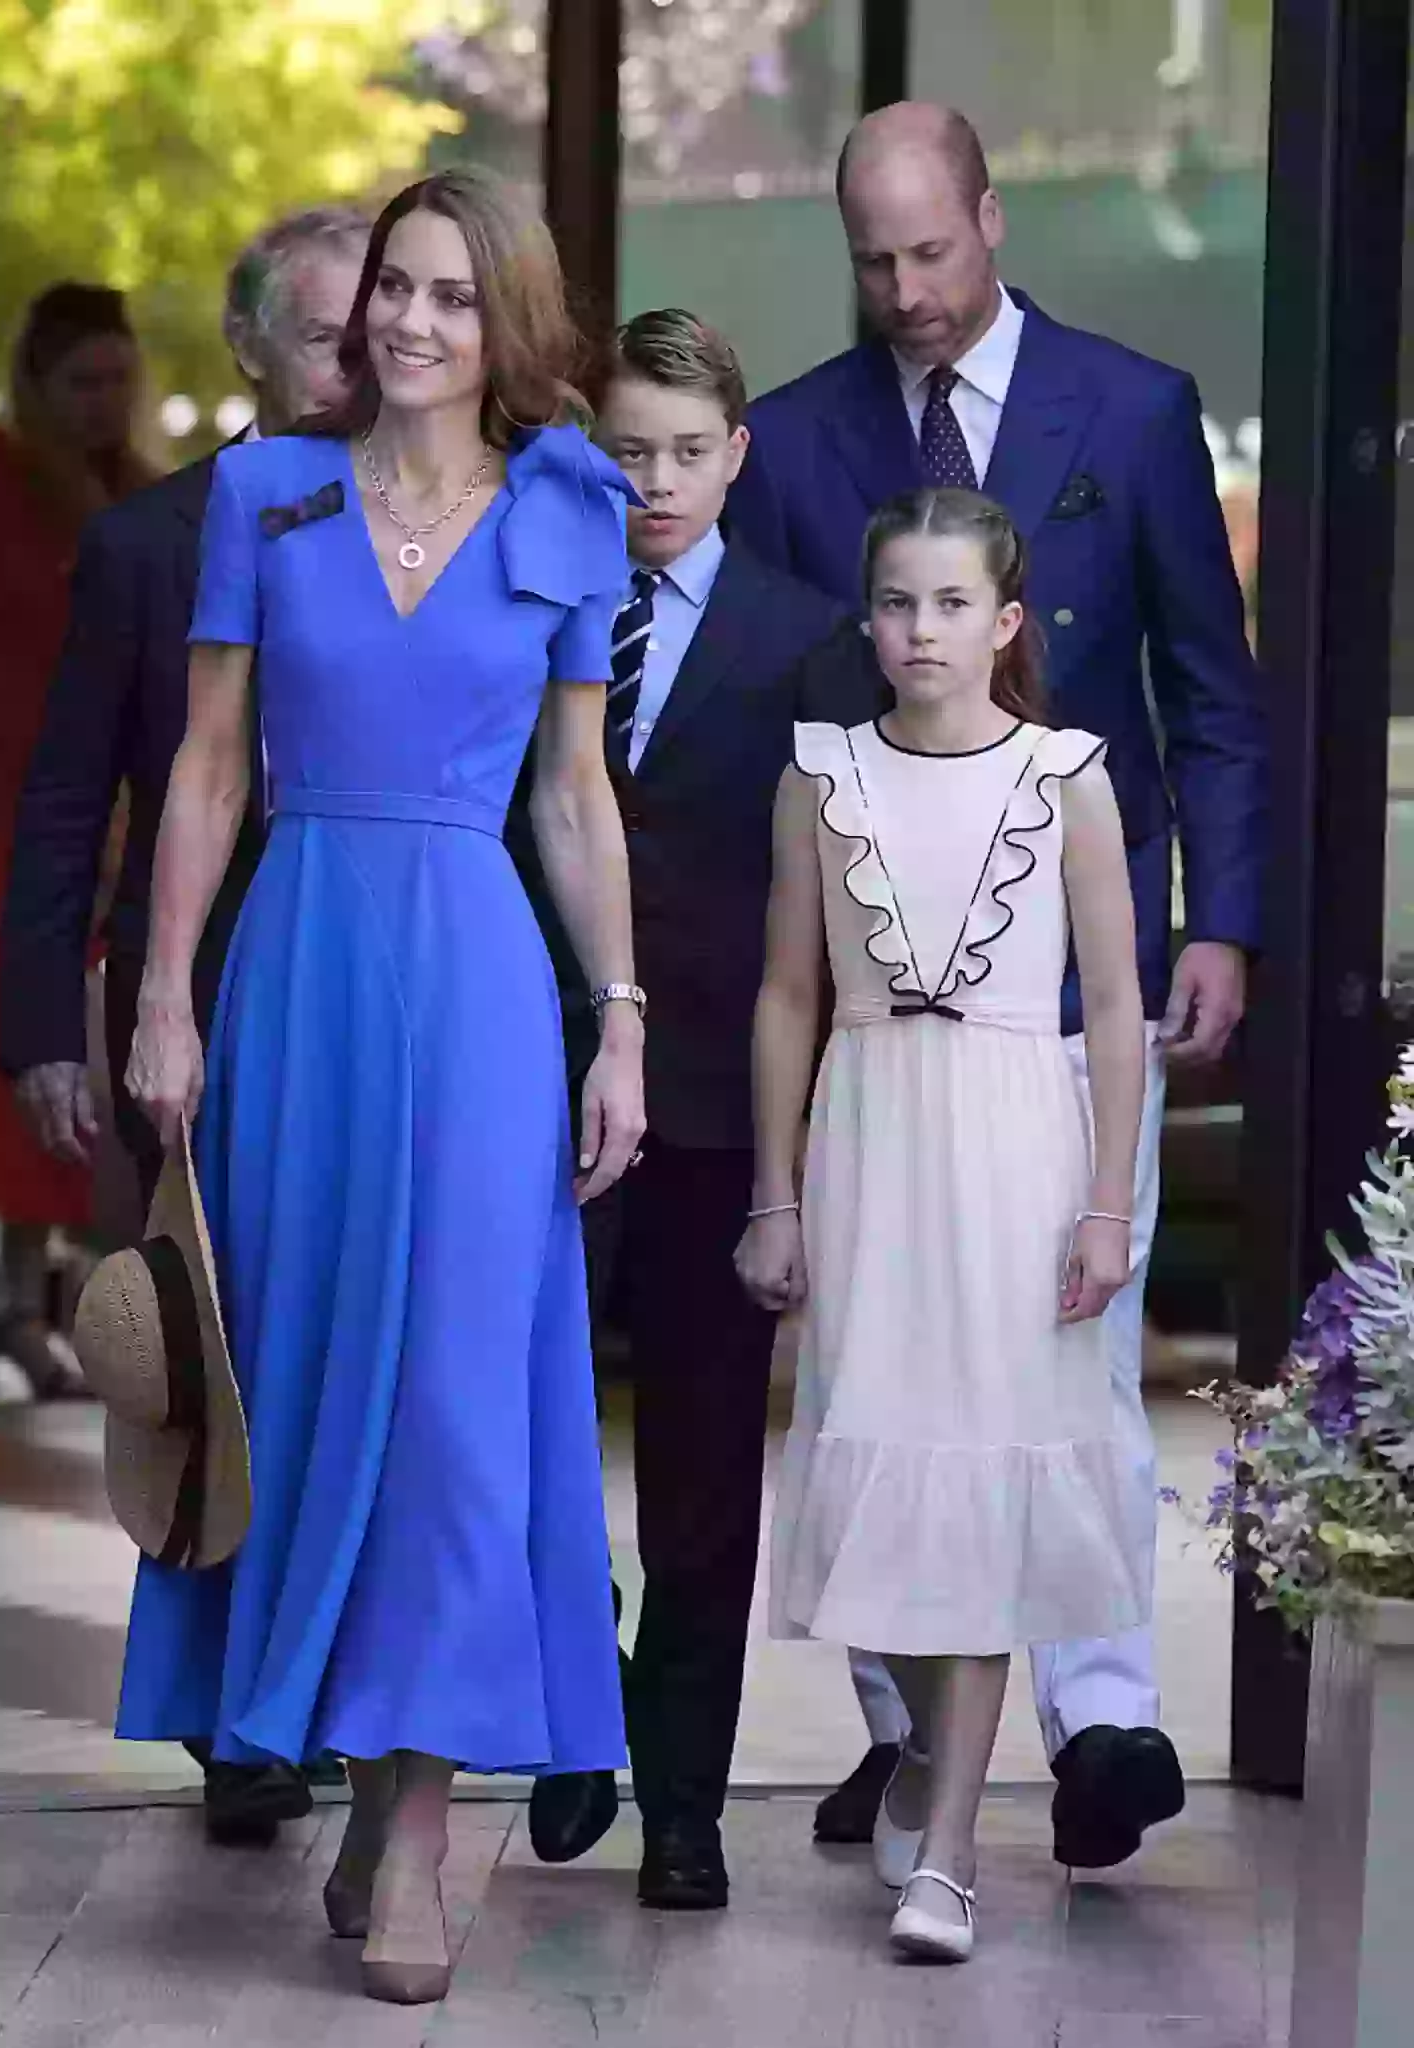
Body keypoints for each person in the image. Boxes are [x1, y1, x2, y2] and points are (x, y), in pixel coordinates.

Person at [117, 167, 643, 2005]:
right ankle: (352, 1769)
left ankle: (417, 1825)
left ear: (509, 325)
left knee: (449, 1392)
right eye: (390, 294)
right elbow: (202, 770)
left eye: (447, 296)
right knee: (314, 1372)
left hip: (487, 984)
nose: (408, 324)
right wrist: (165, 993)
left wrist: (626, 1019)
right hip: (302, 971)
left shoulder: (573, 508)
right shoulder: (265, 501)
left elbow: (576, 796)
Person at [726, 100, 1266, 1869]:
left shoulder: (1132, 411)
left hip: (1070, 969)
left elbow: (1210, 686)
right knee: (882, 1371)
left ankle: (1104, 1716)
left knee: (1074, 1341)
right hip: (885, 1003)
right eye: (871, 261)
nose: (905, 291)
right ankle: (906, 1728)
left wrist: (1221, 921)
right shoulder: (795, 440)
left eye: (931, 252)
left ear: (990, 215)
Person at [0, 205, 371, 1846]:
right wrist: (44, 1026)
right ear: (248, 354)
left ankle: (343, 1687)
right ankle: (239, 1717)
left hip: (385, 995)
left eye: (385, 326)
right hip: (198, 1000)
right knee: (216, 1357)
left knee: (358, 1349)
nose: (363, 361)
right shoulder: (154, 541)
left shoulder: (457, 521)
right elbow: (71, 795)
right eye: (325, 335)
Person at [737, 486, 1147, 1961]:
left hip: (1015, 1147)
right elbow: (789, 993)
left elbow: (1113, 1005)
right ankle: (916, 1750)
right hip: (872, 1146)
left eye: (955, 603)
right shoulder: (823, 775)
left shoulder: (1067, 775)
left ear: (1007, 622)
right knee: (879, 1467)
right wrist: (775, 1193)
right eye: (900, 602)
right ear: (869, 618)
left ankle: (951, 1857)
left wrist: (1109, 1202)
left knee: (979, 1479)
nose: (924, 629)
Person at [510, 310, 844, 1909]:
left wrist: (802, 1157)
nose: (657, 482)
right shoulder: (532, 601)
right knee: (523, 1435)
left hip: (719, 1106)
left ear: (738, 455)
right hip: (535, 1081)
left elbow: (826, 914)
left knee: (707, 1469)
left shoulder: (806, 637)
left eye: (688, 452)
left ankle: (689, 1804)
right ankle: (574, 1730)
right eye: (629, 451)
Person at [0, 283, 158, 1394]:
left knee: (68, 1069)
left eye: (116, 382)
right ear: (36, 385)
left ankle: (26, 1300)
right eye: (81, 383)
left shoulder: (137, 497)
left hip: (92, 815)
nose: (101, 403)